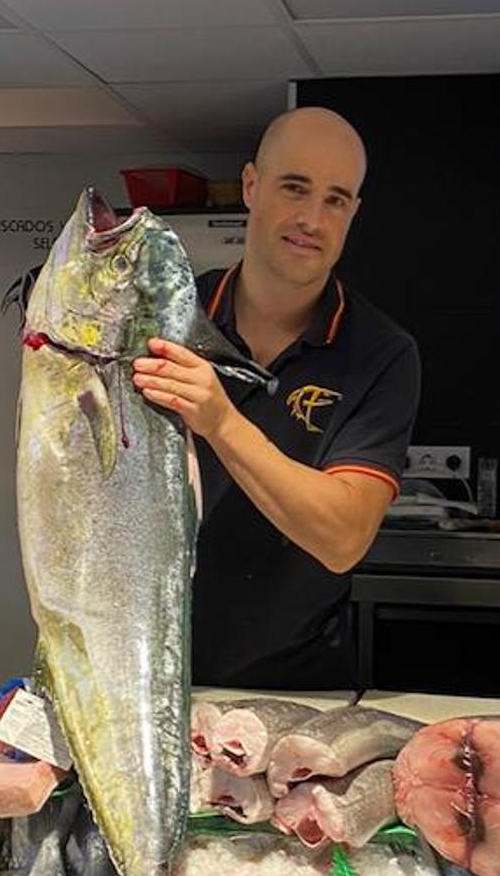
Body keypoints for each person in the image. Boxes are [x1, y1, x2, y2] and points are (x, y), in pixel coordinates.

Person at [132, 106, 421, 689]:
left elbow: (343, 539)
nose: (312, 218)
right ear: (251, 186)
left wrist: (221, 421)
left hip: (294, 689)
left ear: (353, 213)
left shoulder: (381, 353)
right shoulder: (162, 321)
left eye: (336, 199)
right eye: (295, 187)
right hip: (138, 669)